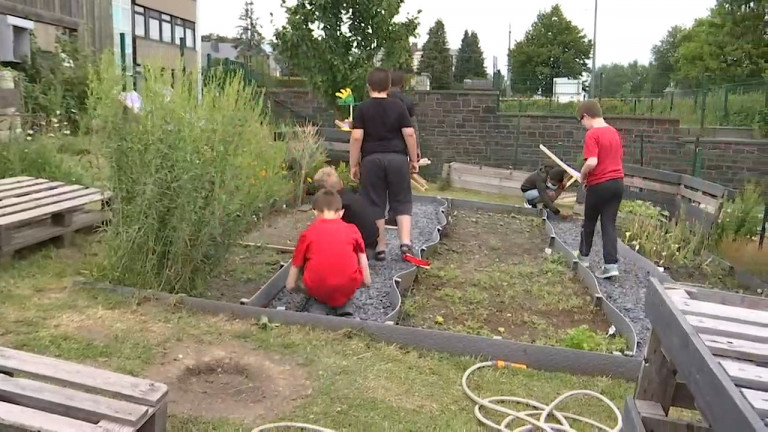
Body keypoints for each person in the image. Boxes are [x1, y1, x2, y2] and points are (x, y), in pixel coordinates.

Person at [349, 67, 419, 262]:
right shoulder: (398, 107)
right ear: (389, 86)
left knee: (374, 202)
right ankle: (405, 243)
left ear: (368, 86)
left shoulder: (362, 108)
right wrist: (413, 160)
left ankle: (380, 247)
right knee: (402, 199)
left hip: (371, 161)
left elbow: (356, 137)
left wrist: (353, 164)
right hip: (397, 159)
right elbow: (409, 133)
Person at [285, 188, 372, 317]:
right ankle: (343, 303)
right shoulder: (353, 230)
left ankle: (319, 301)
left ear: (314, 212)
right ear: (341, 213)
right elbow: (365, 271)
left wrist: (302, 288)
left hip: (317, 286)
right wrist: (362, 283)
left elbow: (290, 284)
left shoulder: (307, 234)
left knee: (308, 261)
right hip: (347, 286)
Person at [575, 100, 625, 279]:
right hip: (617, 183)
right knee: (609, 224)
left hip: (599, 185)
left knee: (589, 222)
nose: (583, 124)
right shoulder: (614, 132)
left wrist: (582, 175)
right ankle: (611, 265)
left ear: (587, 116)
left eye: (581, 120)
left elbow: (592, 162)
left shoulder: (592, 134)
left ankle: (583, 257)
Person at [312, 166, 379, 257]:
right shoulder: (353, 197)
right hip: (371, 245)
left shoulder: (337, 205)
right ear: (340, 183)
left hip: (358, 251)